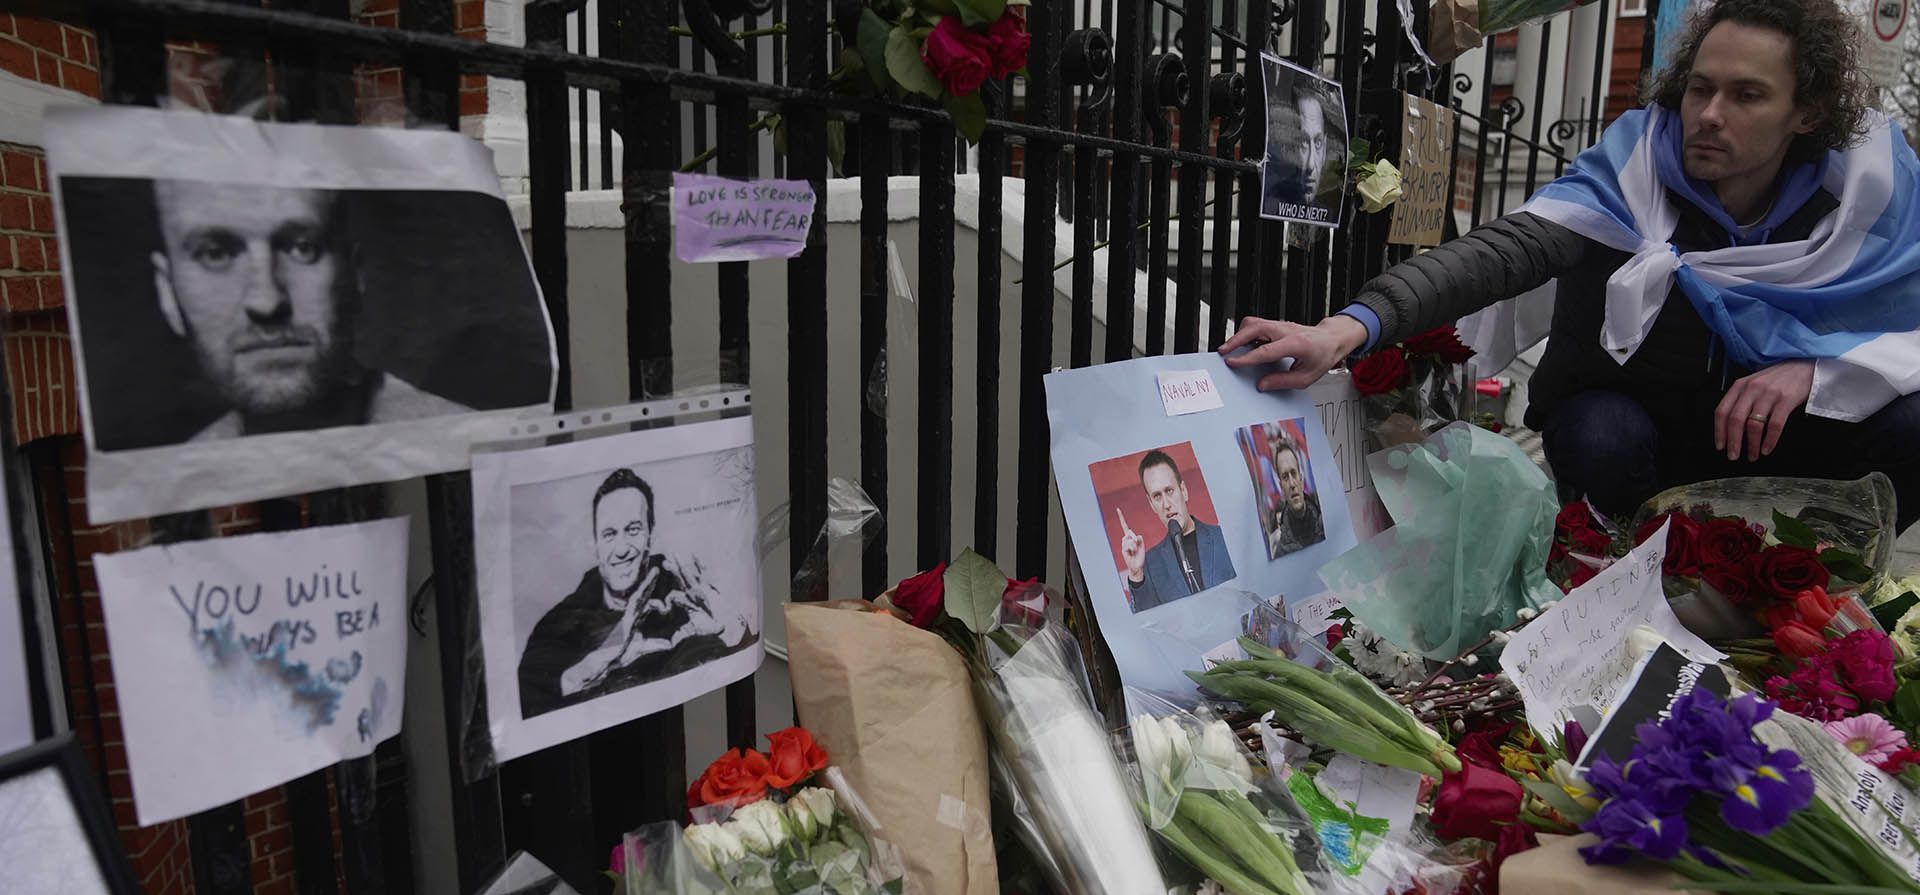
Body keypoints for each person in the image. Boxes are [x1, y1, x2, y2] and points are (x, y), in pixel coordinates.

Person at [1222, 0, 1920, 532]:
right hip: (1644, 442)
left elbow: (1905, 335)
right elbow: (1502, 252)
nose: (1707, 115)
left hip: (1789, 447)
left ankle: (1830, 584)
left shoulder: (1866, 205)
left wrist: (1821, 372)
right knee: (1598, 428)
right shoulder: (1631, 175)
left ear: (1808, 111)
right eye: (1698, 88)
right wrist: (1346, 329)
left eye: (1746, 95)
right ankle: (1619, 573)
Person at [149, 181, 473, 441]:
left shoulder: (464, 440)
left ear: (355, 274)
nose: (267, 302)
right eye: (215, 254)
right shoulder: (175, 478)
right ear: (167, 294)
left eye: (303, 248)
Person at [518, 468, 755, 718]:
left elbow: (728, 671)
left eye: (633, 530)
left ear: (650, 536)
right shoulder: (562, 622)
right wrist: (593, 664)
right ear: (596, 545)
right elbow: (527, 695)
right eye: (610, 534)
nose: (622, 549)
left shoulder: (684, 594)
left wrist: (730, 629)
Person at [1118, 450, 1237, 612]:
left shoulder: (1224, 537)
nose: (1166, 504)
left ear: (1184, 490)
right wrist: (1136, 574)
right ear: (1151, 504)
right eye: (1157, 496)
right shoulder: (1149, 564)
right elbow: (1148, 624)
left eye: (1169, 490)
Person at [1263, 76, 1332, 214]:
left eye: (1318, 143)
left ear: (1324, 148)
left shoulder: (1329, 213)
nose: (1311, 166)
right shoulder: (1270, 204)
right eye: (1302, 143)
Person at [1268, 435, 1326, 556]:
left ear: (1301, 478)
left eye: (1293, 474)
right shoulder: (1282, 552)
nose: (1292, 484)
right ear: (1281, 486)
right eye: (1285, 477)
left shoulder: (1327, 523)